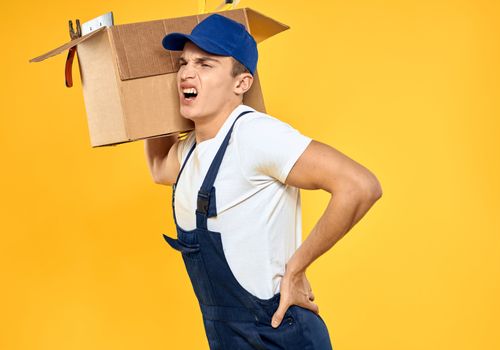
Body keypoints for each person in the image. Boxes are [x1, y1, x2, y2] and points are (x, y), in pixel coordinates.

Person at [144, 13, 382, 349]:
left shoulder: (254, 135)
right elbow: (158, 167)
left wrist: (297, 269)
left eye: (205, 64)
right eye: (183, 62)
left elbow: (360, 186)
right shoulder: (190, 150)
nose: (186, 72)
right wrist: (141, 92)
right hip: (229, 338)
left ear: (242, 83)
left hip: (278, 335)